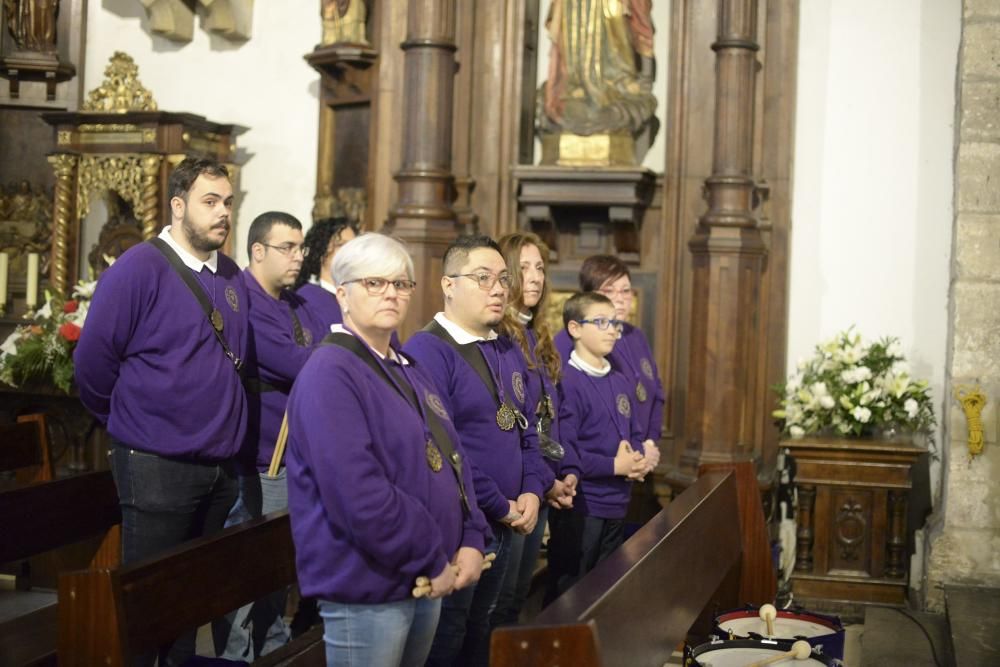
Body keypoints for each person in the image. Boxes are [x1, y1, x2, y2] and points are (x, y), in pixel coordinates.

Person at [286, 232, 489, 667]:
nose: (390, 293)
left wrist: (472, 537)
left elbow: (454, 457)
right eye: (373, 283)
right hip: (368, 584)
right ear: (342, 293)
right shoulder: (330, 373)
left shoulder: (407, 367)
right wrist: (433, 557)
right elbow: (359, 494)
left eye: (400, 284)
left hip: (427, 572)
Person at [74, 156, 246, 665]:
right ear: (177, 206)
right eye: (209, 202)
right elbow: (92, 365)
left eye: (228, 203)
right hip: (156, 463)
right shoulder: (138, 268)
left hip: (221, 467)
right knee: (149, 608)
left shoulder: (231, 274)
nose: (223, 213)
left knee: (190, 605)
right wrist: (137, 424)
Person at [404, 235, 547, 667]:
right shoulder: (428, 350)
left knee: (489, 627)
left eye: (504, 279)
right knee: (449, 634)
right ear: (449, 285)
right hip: (464, 521)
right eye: (483, 279)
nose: (499, 289)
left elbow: (528, 428)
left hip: (512, 514)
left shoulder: (504, 345)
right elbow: (445, 450)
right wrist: (498, 503)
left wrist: (533, 490)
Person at [214, 211, 324, 660]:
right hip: (260, 458)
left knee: (277, 574)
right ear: (257, 250)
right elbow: (303, 362)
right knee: (245, 579)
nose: (299, 256)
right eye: (288, 248)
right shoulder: (243, 299)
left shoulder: (297, 302)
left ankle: (272, 654)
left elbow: (331, 347)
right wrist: (318, 353)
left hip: (297, 455)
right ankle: (238, 658)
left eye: (301, 247)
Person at [491, 232, 578, 627]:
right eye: (524, 267)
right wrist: (544, 482)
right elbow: (515, 420)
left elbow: (552, 414)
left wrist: (561, 474)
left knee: (514, 602)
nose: (535, 277)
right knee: (497, 603)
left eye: (540, 268)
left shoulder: (536, 333)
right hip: (514, 489)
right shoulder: (498, 336)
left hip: (541, 480)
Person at [546, 291, 651, 601]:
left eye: (615, 323)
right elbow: (568, 452)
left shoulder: (619, 380)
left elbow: (631, 433)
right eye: (601, 322)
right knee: (571, 593)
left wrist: (636, 459)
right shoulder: (567, 381)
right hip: (583, 506)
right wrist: (614, 466)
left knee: (604, 594)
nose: (611, 330)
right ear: (575, 328)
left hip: (618, 502)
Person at [556, 254, 665, 456]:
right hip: (601, 460)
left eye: (625, 291)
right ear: (589, 296)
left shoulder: (636, 335)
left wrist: (649, 442)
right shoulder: (568, 340)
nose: (620, 298)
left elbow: (656, 390)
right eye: (609, 290)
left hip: (642, 453)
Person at [295, 216, 358, 331]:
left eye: (354, 245)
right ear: (321, 251)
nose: (351, 251)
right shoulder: (307, 298)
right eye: (341, 244)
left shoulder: (362, 295)